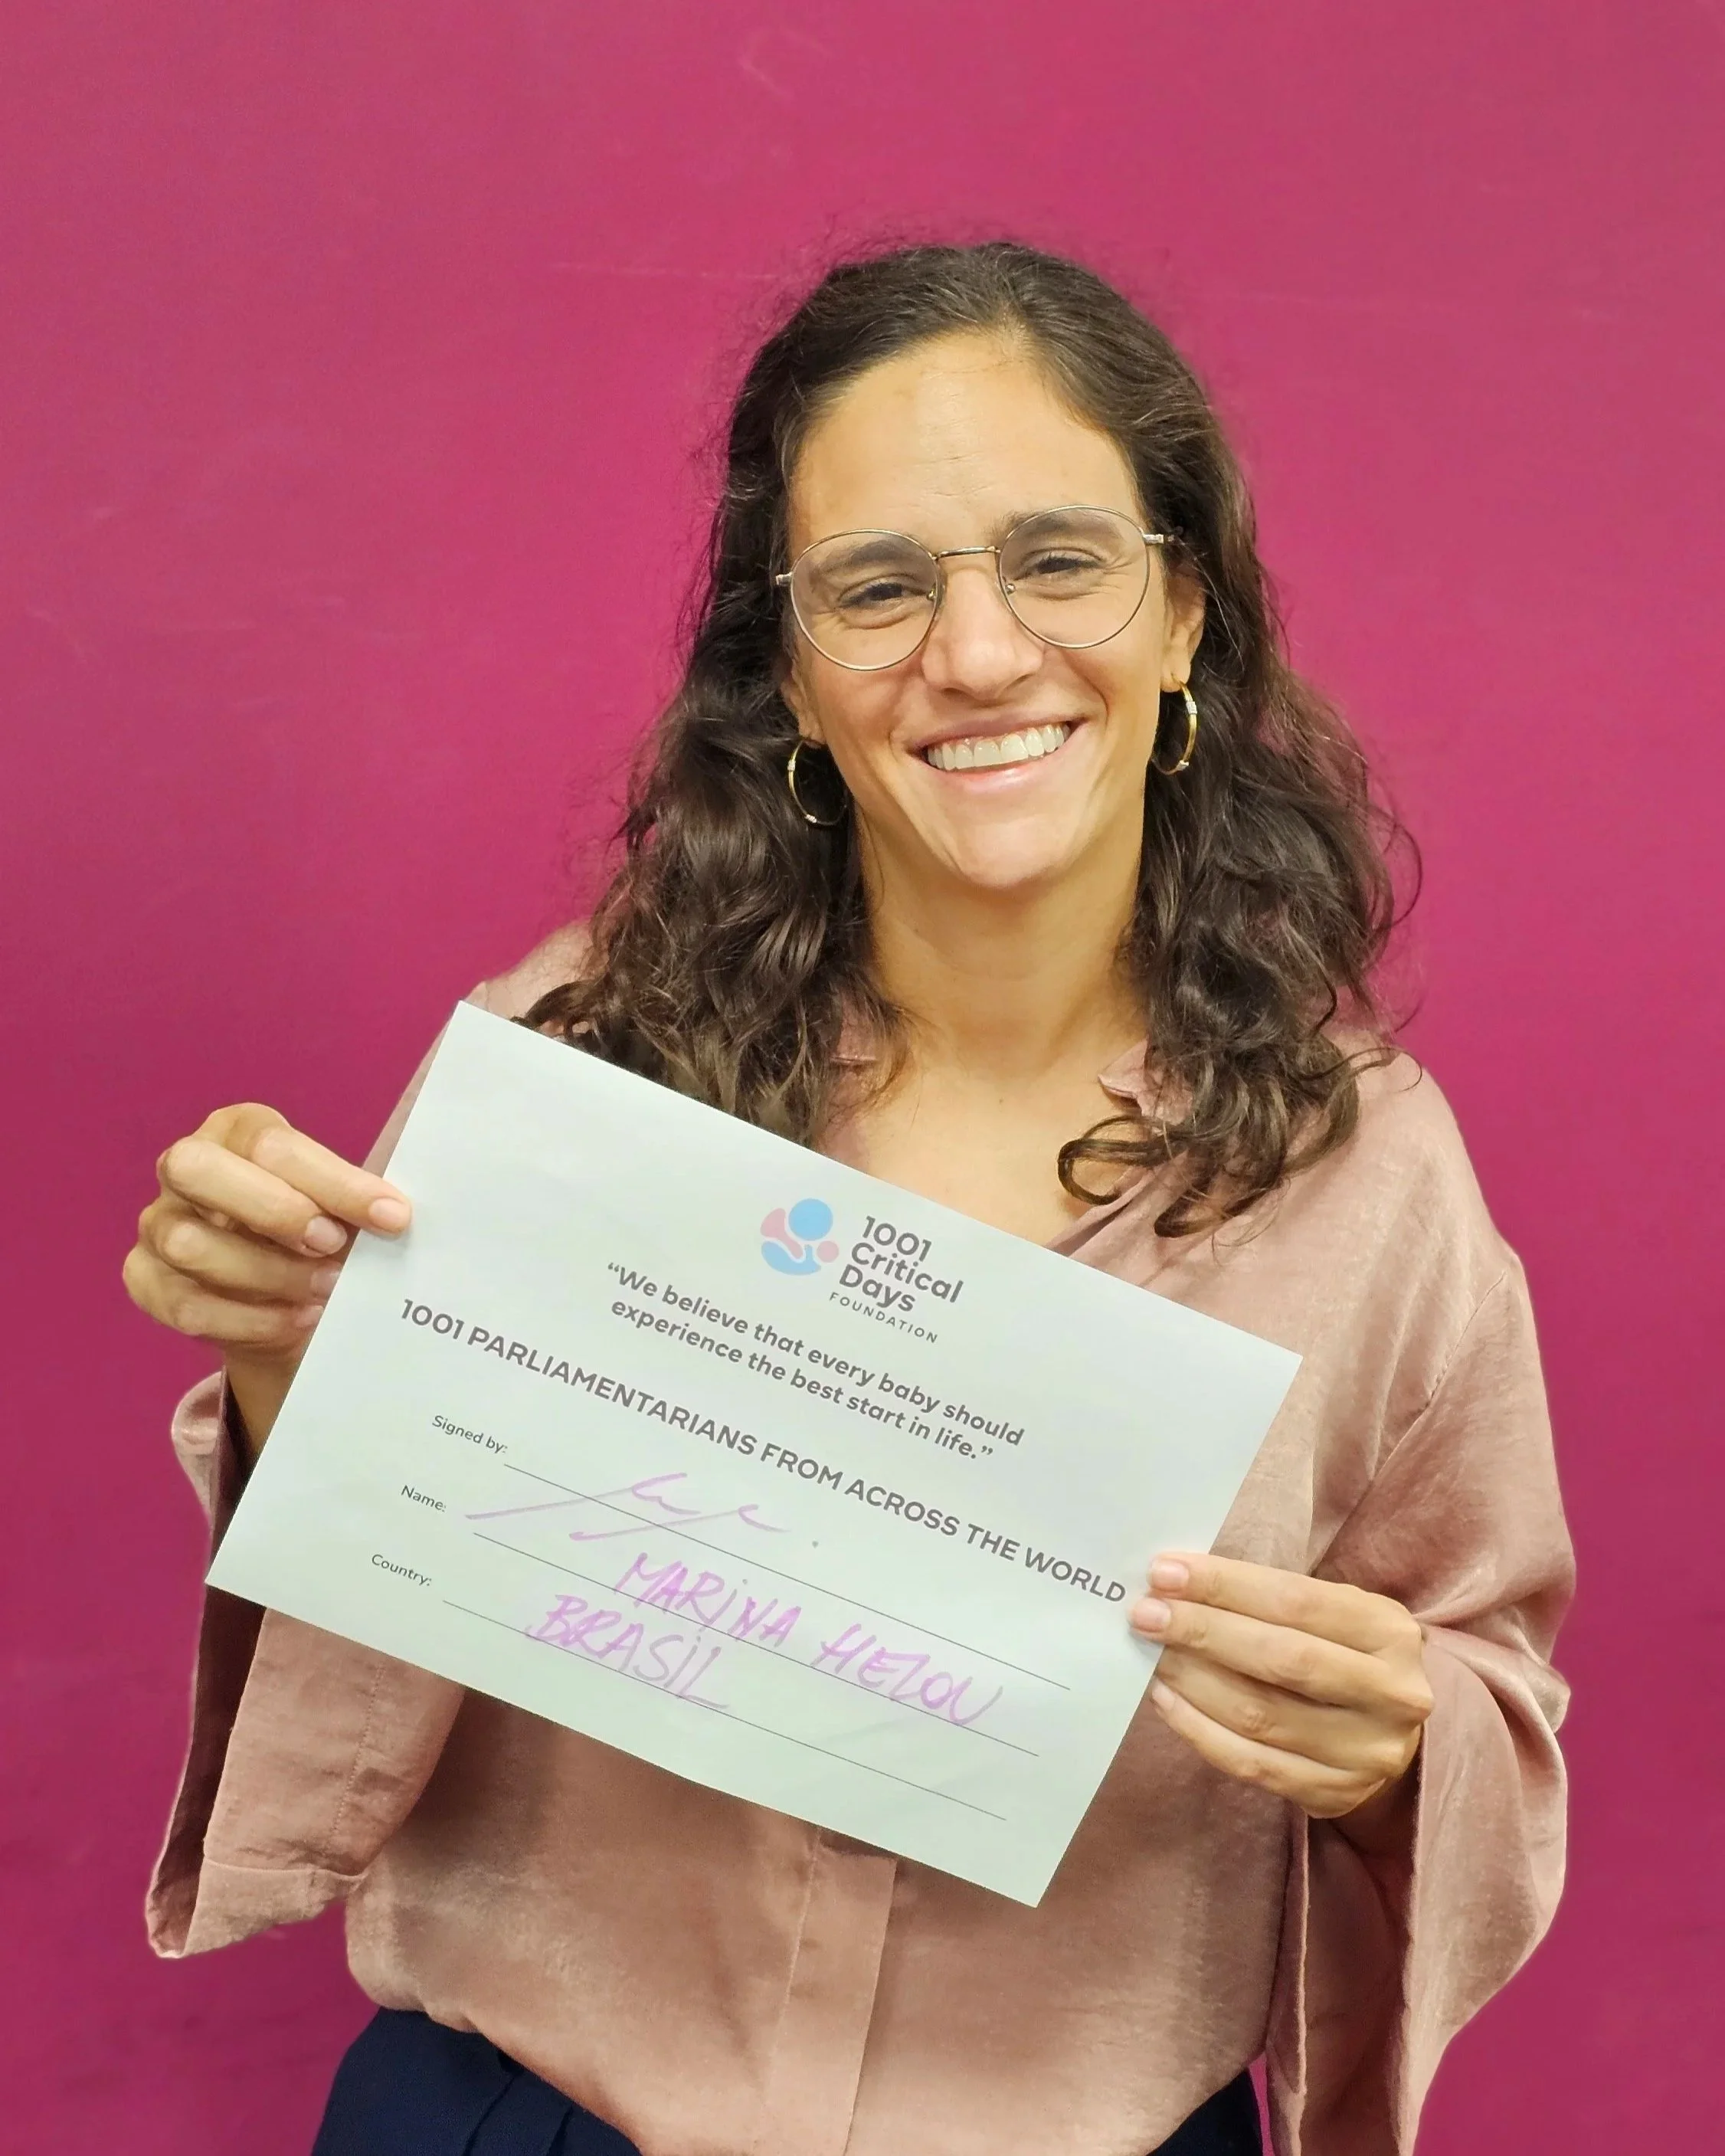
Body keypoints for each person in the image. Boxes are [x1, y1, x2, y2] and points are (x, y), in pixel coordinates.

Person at [124, 242, 1573, 2156]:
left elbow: (1484, 1689)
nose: (976, 656)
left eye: (1059, 560)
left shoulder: (1366, 1173)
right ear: (791, 676)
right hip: (526, 2120)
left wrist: (1396, 1748)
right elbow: (382, 1562)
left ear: (1183, 618)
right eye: (878, 589)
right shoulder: (574, 1070)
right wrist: (282, 1347)